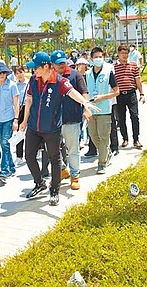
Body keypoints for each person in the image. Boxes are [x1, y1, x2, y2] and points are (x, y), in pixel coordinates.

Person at [19, 52, 100, 206]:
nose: (33, 70)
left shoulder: (59, 81)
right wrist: (23, 120)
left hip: (51, 128)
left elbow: (72, 92)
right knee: (29, 156)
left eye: (35, 67)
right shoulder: (33, 80)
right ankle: (39, 183)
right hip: (33, 126)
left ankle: (54, 189)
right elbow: (29, 100)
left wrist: (85, 103)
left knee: (55, 159)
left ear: (45, 67)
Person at [51, 50, 88, 190]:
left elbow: (84, 92)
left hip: (72, 119)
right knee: (54, 150)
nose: (61, 65)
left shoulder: (75, 75)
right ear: (52, 64)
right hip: (54, 121)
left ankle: (75, 175)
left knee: (73, 149)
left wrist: (86, 107)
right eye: (58, 63)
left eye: (63, 62)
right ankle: (62, 170)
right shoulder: (50, 77)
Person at [86, 47, 119, 174]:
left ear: (103, 57)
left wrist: (103, 97)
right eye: (96, 57)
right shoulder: (88, 74)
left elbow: (117, 91)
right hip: (91, 110)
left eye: (100, 57)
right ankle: (106, 152)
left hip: (104, 109)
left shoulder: (108, 72)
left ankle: (102, 163)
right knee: (93, 136)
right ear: (91, 58)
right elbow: (85, 91)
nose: (98, 59)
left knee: (104, 137)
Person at [0, 61, 19, 185]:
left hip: (8, 118)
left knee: (5, 143)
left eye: (4, 73)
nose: (2, 75)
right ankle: (11, 166)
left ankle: (4, 171)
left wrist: (16, 119)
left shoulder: (12, 85)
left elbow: (16, 103)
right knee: (3, 145)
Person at [114, 45, 145, 149]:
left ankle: (136, 139)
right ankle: (125, 139)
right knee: (121, 118)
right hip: (119, 96)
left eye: (126, 53)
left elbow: (138, 80)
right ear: (118, 54)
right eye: (122, 53)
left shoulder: (133, 65)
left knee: (135, 116)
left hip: (131, 94)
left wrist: (141, 94)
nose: (124, 55)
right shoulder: (113, 67)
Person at [13, 65, 28, 164]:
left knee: (31, 131)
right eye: (17, 73)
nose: (19, 75)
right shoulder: (15, 85)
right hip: (20, 109)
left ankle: (34, 150)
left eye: (20, 72)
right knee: (20, 132)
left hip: (29, 108)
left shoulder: (29, 83)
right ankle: (19, 155)